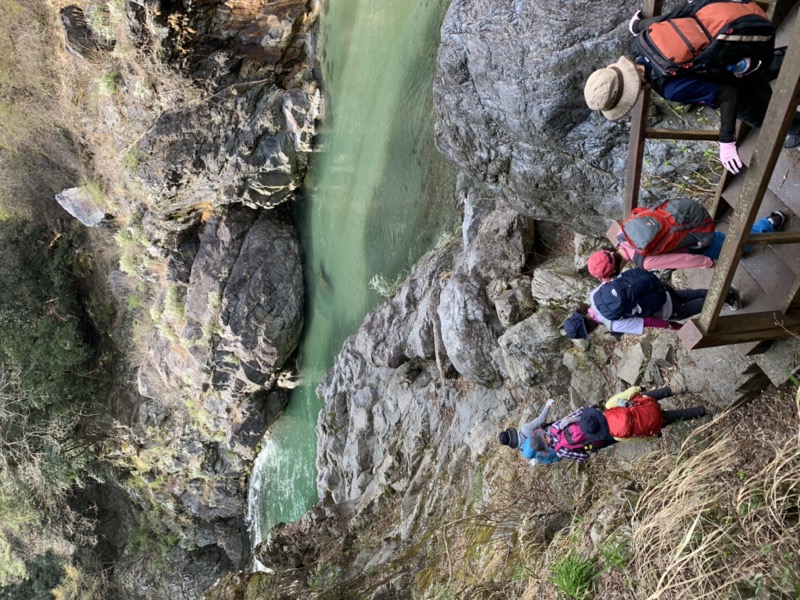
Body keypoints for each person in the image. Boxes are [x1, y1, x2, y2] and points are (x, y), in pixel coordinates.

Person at [583, 11, 800, 174]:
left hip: (736, 76)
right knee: (768, 63)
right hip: (733, 40)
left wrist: (726, 140)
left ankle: (796, 128)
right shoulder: (640, 41)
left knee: (759, 116)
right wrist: (638, 24)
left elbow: (727, 93)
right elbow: (677, 15)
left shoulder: (670, 87)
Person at [588, 211, 787, 281]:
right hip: (683, 223)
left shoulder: (645, 261)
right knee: (721, 239)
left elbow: (683, 260)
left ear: (616, 270)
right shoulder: (622, 234)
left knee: (735, 247)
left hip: (696, 243)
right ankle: (744, 244)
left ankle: (768, 224)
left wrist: (707, 263)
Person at [565, 269, 741, 338]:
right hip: (655, 288)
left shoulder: (613, 323)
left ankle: (728, 296)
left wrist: (673, 326)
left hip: (664, 307)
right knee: (690, 294)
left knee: (699, 305)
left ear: (588, 329)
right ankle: (724, 292)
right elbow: (617, 281)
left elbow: (647, 321)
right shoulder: (594, 295)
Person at [581, 385, 708, 442]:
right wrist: (638, 388)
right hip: (647, 405)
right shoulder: (609, 406)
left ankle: (704, 410)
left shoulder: (617, 436)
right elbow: (627, 394)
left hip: (654, 422)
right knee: (642, 397)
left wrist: (655, 436)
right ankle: (675, 389)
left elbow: (639, 439)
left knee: (676, 416)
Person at [498, 399, 560, 466]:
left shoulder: (521, 450)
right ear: (510, 432)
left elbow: (536, 456)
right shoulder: (524, 429)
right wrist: (547, 406)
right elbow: (540, 420)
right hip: (555, 438)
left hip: (556, 455)